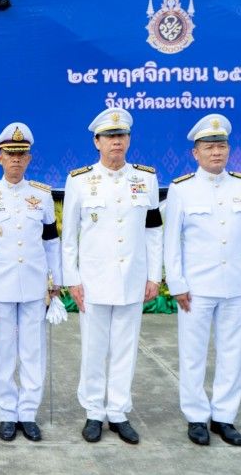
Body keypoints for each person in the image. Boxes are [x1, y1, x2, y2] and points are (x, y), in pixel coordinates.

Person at [162, 115, 241, 446]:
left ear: (229, 150)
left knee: (232, 353)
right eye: (209, 147)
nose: (216, 153)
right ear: (196, 153)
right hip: (196, 287)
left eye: (221, 146)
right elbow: (171, 241)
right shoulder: (181, 189)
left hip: (236, 284)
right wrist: (176, 283)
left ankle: (224, 417)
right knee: (192, 354)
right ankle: (195, 417)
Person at [62, 107, 162, 445]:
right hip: (93, 279)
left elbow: (153, 231)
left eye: (121, 136)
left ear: (129, 140)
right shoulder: (79, 180)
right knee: (93, 347)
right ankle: (93, 411)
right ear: (97, 141)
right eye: (109, 137)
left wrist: (154, 275)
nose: (116, 142)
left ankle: (118, 411)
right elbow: (69, 235)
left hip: (132, 276)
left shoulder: (145, 178)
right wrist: (72, 279)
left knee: (126, 347)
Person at [0, 123, 62, 442]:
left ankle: (28, 413)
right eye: (10, 155)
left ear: (30, 158)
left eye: (22, 155)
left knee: (33, 350)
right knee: (3, 350)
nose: (16, 161)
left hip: (35, 284)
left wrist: (56, 281)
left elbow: (51, 242)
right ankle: (7, 413)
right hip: (0, 285)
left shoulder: (42, 196)